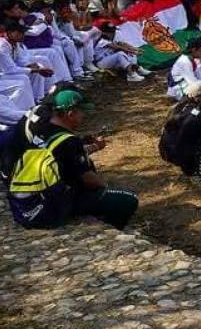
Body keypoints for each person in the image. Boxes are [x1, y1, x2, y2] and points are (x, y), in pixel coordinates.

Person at [6, 89, 138, 230]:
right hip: (52, 203)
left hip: (26, 201)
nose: (84, 116)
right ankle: (111, 227)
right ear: (71, 114)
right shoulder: (69, 141)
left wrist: (94, 147)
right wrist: (106, 188)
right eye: (81, 112)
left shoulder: (42, 129)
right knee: (128, 199)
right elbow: (89, 179)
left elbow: (64, 156)